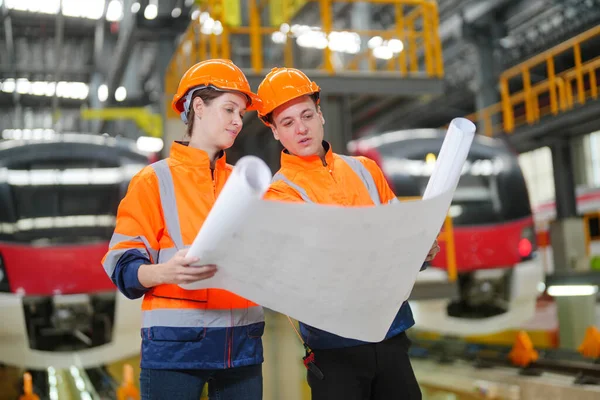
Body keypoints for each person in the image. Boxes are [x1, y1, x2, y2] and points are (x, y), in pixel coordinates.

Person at [257, 67, 440, 400]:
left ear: (321, 114)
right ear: (274, 131)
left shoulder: (364, 169)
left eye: (307, 115)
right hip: (335, 347)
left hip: (390, 333)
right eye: (287, 122)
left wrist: (421, 250)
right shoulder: (279, 195)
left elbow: (400, 236)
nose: (301, 128)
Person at [101, 59, 265, 400]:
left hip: (242, 349)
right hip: (175, 351)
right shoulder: (154, 180)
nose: (238, 121)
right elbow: (122, 267)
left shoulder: (244, 182)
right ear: (199, 108)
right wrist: (165, 272)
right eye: (230, 109)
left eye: (242, 113)